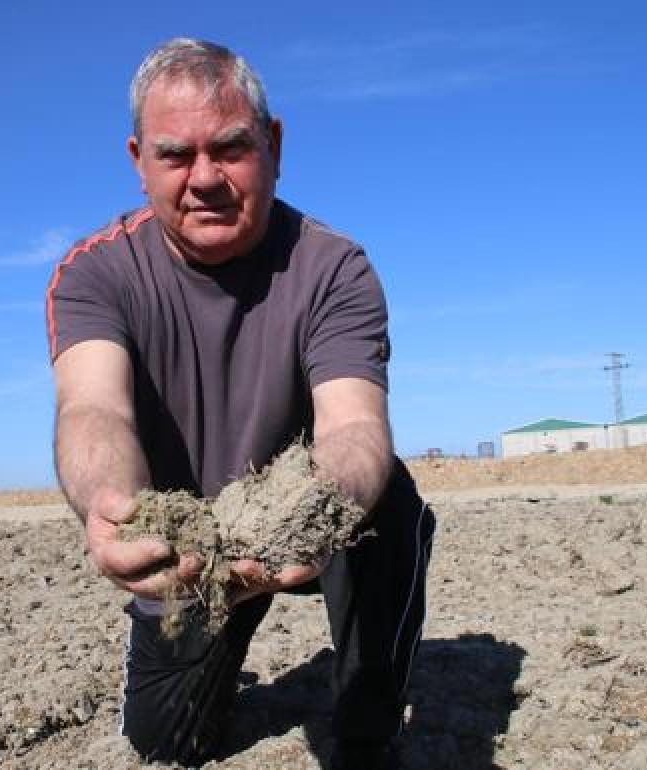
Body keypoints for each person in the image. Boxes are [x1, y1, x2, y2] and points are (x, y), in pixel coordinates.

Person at [46, 38, 435, 769]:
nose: (205, 179)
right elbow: (92, 410)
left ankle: (366, 720)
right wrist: (113, 506)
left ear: (273, 144)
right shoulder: (94, 275)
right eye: (175, 155)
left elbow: (353, 424)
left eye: (230, 148)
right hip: (193, 554)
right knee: (165, 743)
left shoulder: (331, 267)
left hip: (300, 530)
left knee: (384, 501)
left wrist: (318, 511)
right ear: (138, 160)